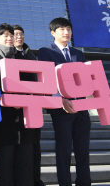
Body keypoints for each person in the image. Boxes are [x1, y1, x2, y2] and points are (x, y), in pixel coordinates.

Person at [0, 23, 36, 186]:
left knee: (25, 161)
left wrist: (22, 99)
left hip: (24, 116)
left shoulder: (22, 58)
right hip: (3, 116)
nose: (10, 38)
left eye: (11, 35)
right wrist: (9, 100)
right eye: (6, 35)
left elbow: (31, 84)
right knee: (6, 160)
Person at [38, 17, 90, 186]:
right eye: (61, 29)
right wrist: (59, 99)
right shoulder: (45, 52)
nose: (66, 32)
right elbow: (45, 79)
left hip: (81, 108)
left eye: (68, 29)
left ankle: (84, 182)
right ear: (52, 32)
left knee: (83, 150)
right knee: (64, 150)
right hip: (62, 109)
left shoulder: (78, 53)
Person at [12, 25, 45, 186]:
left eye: (21, 34)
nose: (19, 37)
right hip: (16, 108)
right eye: (16, 34)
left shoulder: (31, 55)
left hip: (34, 106)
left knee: (35, 145)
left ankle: (35, 179)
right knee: (22, 146)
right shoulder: (9, 56)